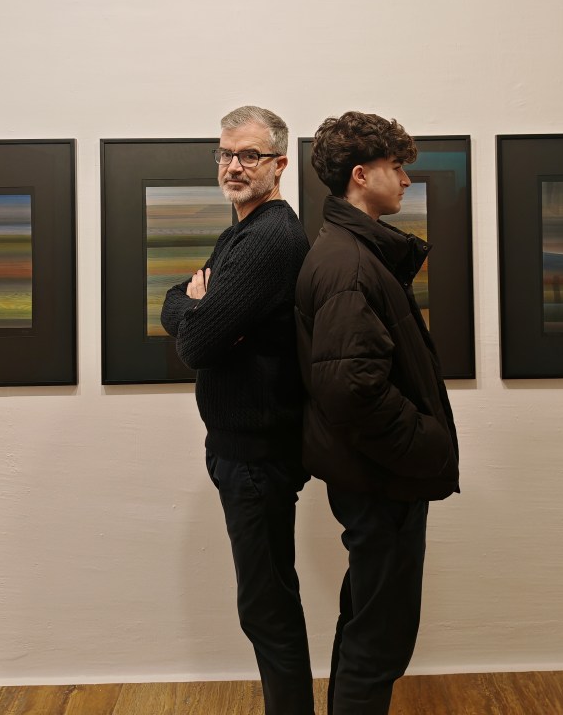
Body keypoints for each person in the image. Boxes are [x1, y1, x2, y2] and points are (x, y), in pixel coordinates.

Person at [295, 110, 460, 715]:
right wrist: (427, 443)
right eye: (396, 167)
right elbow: (351, 390)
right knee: (379, 641)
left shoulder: (351, 252)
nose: (407, 180)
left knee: (368, 624)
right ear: (361, 176)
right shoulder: (349, 262)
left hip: (376, 475)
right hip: (382, 480)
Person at [161, 105, 314, 715]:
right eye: (225, 154)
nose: (233, 166)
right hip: (239, 449)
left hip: (257, 456)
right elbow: (176, 301)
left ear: (279, 164)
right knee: (265, 602)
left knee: (266, 608)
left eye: (250, 155)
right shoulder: (240, 234)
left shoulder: (270, 238)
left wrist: (198, 312)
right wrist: (196, 307)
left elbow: (196, 345)